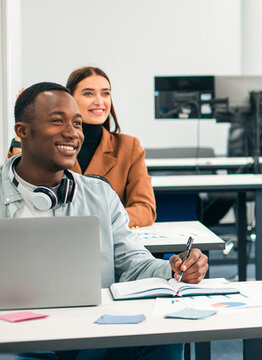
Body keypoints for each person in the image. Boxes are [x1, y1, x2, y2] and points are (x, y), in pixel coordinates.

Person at [5, 82, 209, 359]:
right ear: (22, 131)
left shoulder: (98, 193)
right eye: (57, 121)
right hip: (17, 336)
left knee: (165, 338)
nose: (72, 133)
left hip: (92, 330)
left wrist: (172, 267)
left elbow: (132, 262)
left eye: (77, 124)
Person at [9, 66, 156, 227]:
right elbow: (16, 191)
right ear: (69, 100)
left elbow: (145, 210)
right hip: (55, 238)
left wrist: (96, 221)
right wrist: (27, 122)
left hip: (109, 239)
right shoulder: (50, 146)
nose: (99, 101)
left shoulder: (128, 146)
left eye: (105, 93)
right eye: (88, 93)